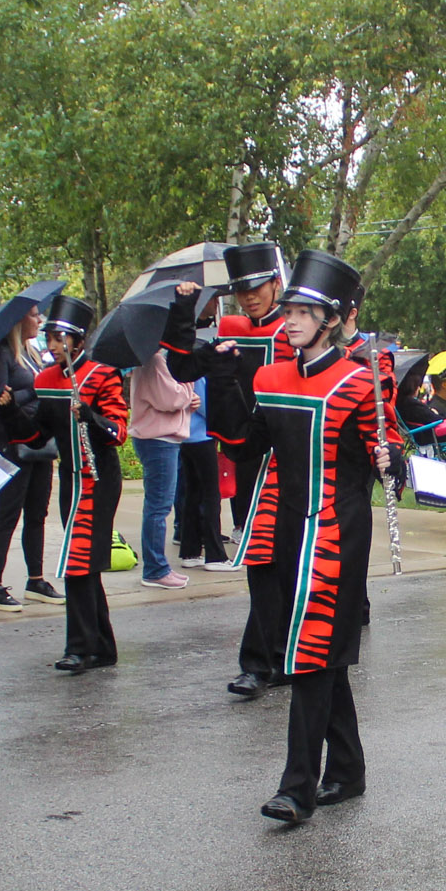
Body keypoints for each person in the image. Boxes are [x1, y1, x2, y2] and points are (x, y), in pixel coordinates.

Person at [209, 251, 394, 823]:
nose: (288, 319)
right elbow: (247, 443)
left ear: (331, 319)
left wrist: (393, 460)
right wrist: (225, 381)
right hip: (287, 527)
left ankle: (297, 787)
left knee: (312, 652)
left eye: (302, 311)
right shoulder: (269, 376)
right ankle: (348, 770)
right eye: (288, 309)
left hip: (338, 530)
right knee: (314, 654)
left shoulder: (360, 383)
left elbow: (382, 464)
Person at [163, 244, 300, 695]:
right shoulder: (233, 329)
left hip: (293, 463)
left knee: (284, 564)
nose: (247, 298)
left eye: (255, 288)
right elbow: (183, 365)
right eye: (240, 290)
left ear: (276, 284)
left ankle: (274, 660)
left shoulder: (297, 331)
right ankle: (264, 662)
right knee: (263, 561)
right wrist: (183, 311)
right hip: (248, 458)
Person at [23, 296, 130, 671]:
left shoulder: (103, 374)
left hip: (99, 478)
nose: (52, 346)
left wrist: (91, 417)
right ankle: (101, 646)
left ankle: (80, 647)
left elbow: (118, 432)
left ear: (78, 340)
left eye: (59, 338)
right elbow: (37, 437)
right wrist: (8, 413)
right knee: (82, 562)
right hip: (70, 478)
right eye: (49, 338)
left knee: (78, 561)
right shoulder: (46, 379)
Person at [0, 299, 56, 610]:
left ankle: (35, 578)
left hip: (38, 441)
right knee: (8, 515)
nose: (39, 320)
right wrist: (37, 389)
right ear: (18, 321)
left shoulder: (33, 353)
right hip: (10, 445)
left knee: (37, 513)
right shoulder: (0, 354)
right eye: (34, 315)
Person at [129, 348, 195, 589]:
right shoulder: (154, 359)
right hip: (159, 440)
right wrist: (188, 389)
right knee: (158, 507)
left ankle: (158, 566)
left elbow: (174, 399)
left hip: (161, 438)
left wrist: (186, 399)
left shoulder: (152, 359)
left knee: (159, 505)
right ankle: (155, 569)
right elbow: (171, 399)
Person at [176, 376, 229, 569]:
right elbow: (207, 406)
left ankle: (190, 552)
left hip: (186, 437)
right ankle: (215, 556)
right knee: (211, 496)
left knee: (192, 495)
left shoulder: (179, 368)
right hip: (203, 438)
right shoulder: (198, 372)